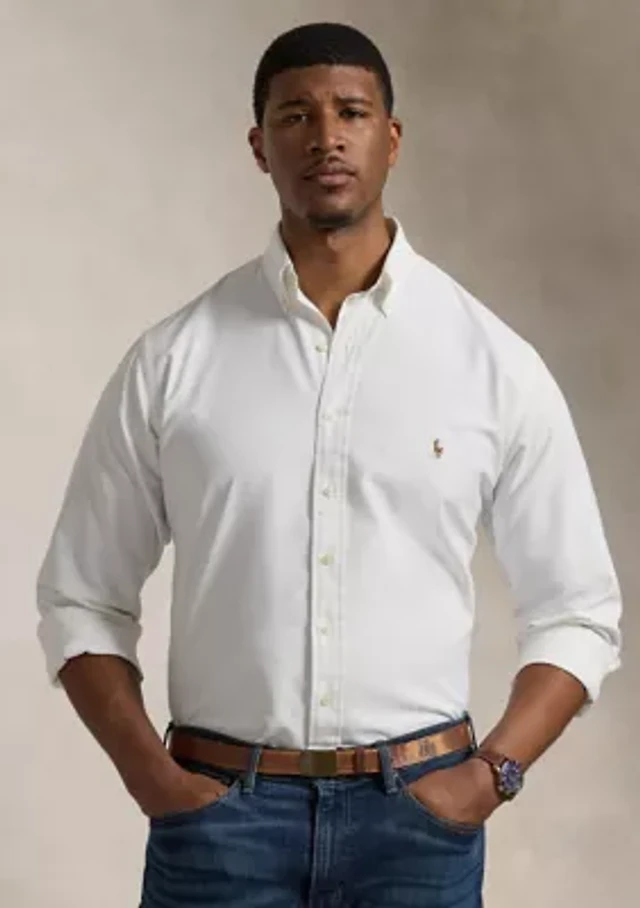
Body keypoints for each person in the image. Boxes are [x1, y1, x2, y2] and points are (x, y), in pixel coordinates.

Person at [36, 21, 622, 908]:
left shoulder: (491, 363)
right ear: (258, 146)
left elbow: (579, 612)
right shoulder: (174, 361)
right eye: (295, 116)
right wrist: (152, 780)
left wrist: (489, 777)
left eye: (351, 112)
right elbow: (80, 598)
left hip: (419, 830)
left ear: (392, 137)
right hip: (218, 826)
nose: (325, 137)